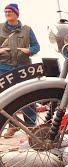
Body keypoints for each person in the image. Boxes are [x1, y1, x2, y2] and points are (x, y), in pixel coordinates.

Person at [0, 3, 40, 138]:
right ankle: (12, 125)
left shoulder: (27, 29)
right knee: (6, 98)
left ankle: (31, 127)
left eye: (10, 11)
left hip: (24, 68)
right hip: (3, 68)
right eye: (5, 11)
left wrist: (29, 50)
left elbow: (36, 46)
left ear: (16, 13)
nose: (7, 13)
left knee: (28, 96)